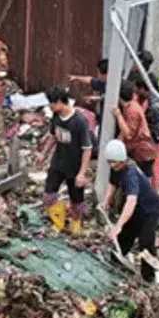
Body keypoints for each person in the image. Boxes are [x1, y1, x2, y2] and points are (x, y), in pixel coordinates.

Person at [101, 140, 159, 283]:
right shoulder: (116, 167)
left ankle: (149, 278)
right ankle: (115, 263)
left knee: (145, 243)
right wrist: (106, 200)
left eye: (114, 162)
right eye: (110, 162)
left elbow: (131, 201)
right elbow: (112, 182)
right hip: (135, 210)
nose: (112, 165)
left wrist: (118, 225)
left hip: (149, 210)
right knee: (124, 237)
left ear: (122, 160)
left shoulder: (131, 173)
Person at [39, 87, 92, 235]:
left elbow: (87, 148)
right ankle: (60, 220)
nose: (50, 106)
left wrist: (82, 173)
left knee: (77, 202)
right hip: (58, 162)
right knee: (48, 196)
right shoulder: (56, 117)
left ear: (61, 102)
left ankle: (75, 224)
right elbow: (53, 136)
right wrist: (43, 154)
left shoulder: (79, 122)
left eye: (52, 103)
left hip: (74, 166)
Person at [112, 81, 157, 176]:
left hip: (142, 153)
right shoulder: (131, 106)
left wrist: (118, 116)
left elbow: (128, 134)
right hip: (141, 152)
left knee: (141, 181)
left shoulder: (132, 110)